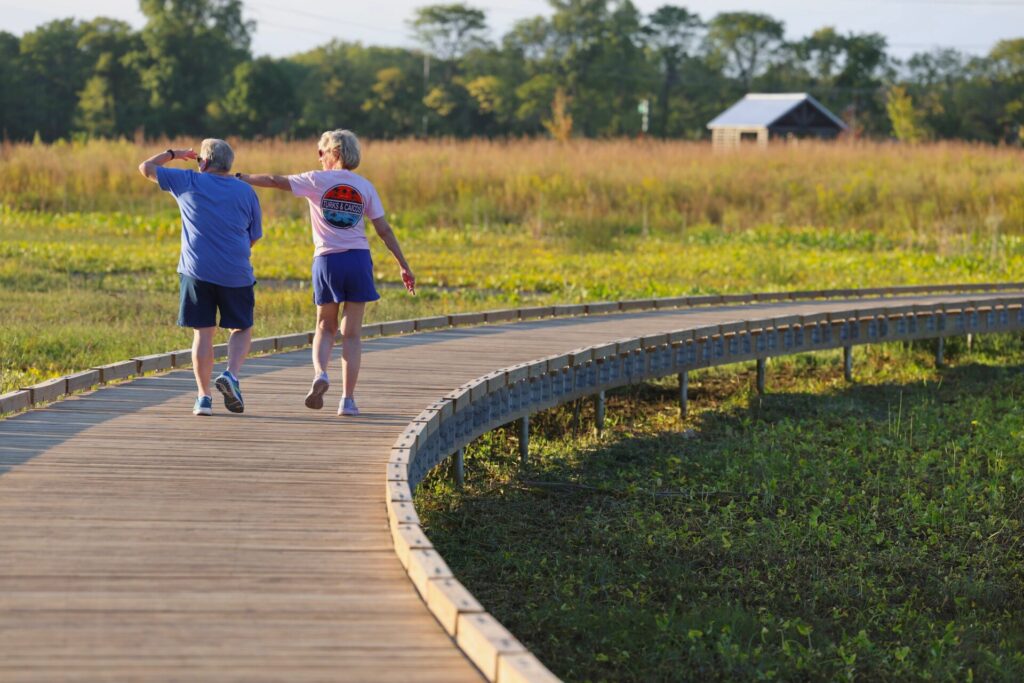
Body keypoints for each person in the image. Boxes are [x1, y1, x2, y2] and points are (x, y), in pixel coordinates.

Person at [237, 129, 414, 416]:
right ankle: (348, 400)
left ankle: (320, 373)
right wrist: (403, 265)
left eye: (321, 152)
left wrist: (241, 177)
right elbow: (383, 229)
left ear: (334, 153)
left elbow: (273, 180)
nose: (319, 158)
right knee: (353, 334)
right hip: (358, 260)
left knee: (325, 326)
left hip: (327, 261)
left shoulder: (316, 180)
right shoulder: (364, 186)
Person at [138, 139, 262, 416]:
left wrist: (174, 154)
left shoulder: (189, 181)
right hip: (236, 272)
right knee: (241, 328)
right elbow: (253, 236)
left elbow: (145, 167)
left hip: (197, 271)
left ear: (203, 162)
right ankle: (230, 374)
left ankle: (203, 398)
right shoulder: (246, 192)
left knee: (203, 333)